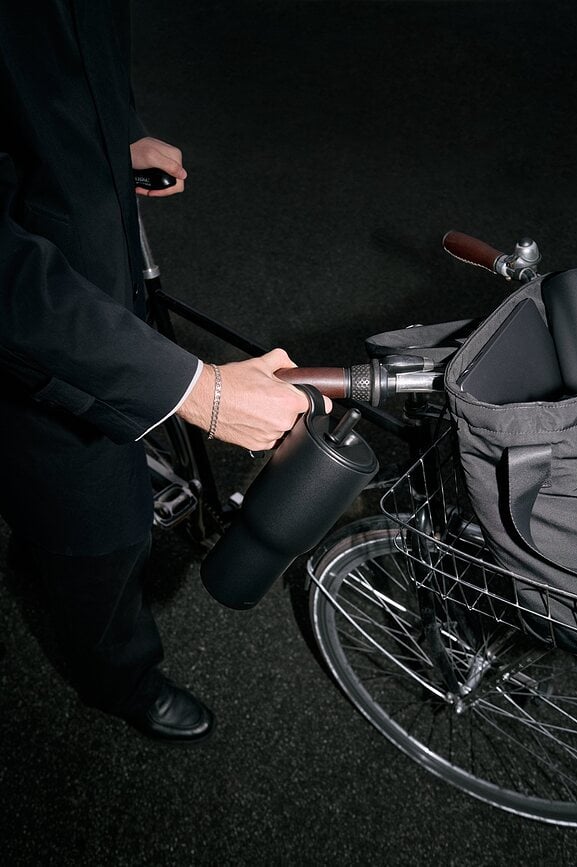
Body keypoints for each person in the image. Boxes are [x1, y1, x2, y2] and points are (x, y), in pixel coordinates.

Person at [0, 2, 325, 744]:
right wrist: (197, 391)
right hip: (34, 320)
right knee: (101, 528)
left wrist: (115, 130)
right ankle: (120, 680)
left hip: (70, 251)